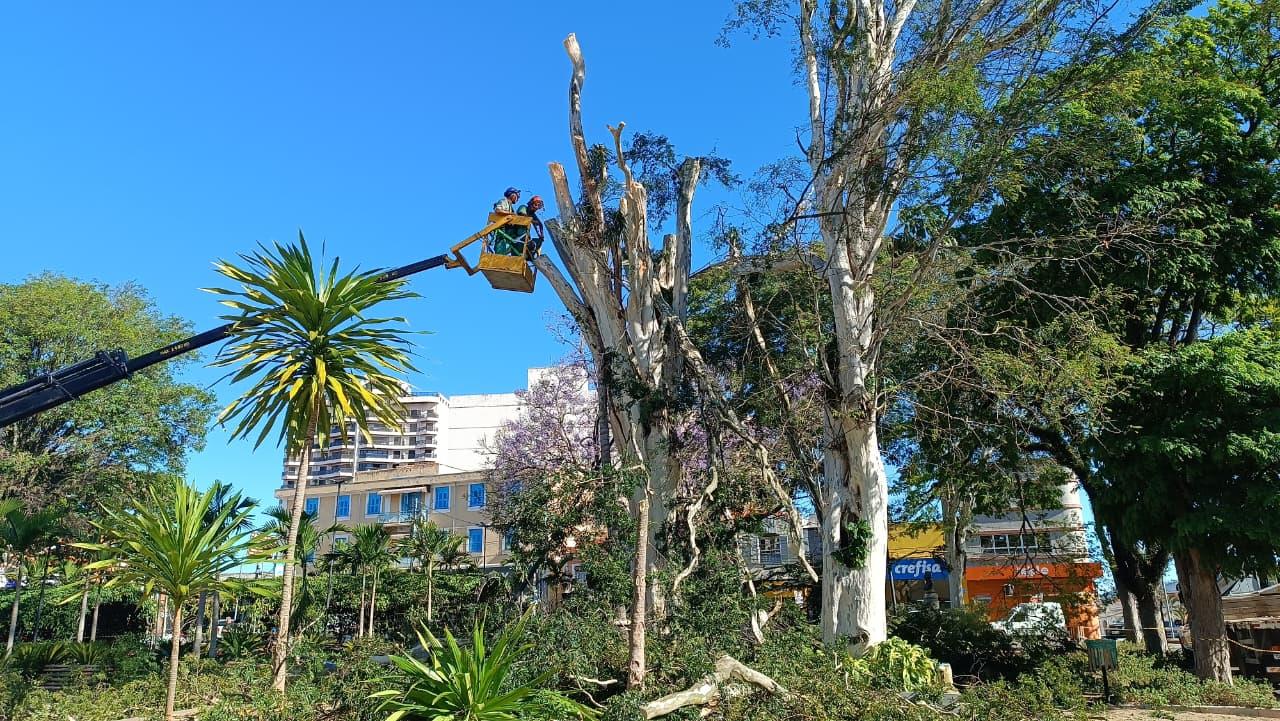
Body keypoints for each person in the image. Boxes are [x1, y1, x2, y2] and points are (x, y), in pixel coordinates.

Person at [491, 187, 522, 253]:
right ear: (512, 195)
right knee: (500, 247)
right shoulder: (503, 201)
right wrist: (511, 214)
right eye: (517, 196)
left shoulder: (510, 206)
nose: (517, 199)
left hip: (506, 230)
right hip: (501, 229)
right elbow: (498, 210)